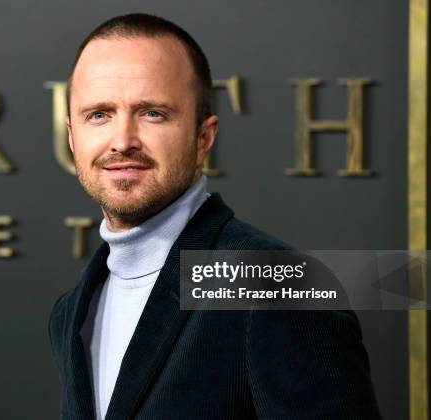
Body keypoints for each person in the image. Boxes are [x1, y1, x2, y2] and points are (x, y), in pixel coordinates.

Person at [49, 13, 381, 419]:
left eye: (152, 113)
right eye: (98, 114)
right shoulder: (72, 310)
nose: (122, 141)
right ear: (71, 135)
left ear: (203, 137)